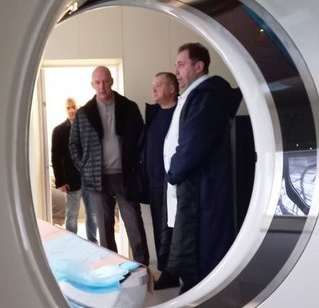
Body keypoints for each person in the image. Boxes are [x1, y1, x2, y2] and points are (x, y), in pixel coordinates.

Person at [161, 42, 242, 294]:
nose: (176, 70)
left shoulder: (207, 97)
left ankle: (200, 306)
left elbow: (192, 146)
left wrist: (173, 173)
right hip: (194, 188)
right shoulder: (196, 95)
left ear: (199, 66)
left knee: (202, 258)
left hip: (202, 192)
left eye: (181, 64)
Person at [69, 66, 150, 266]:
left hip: (125, 176)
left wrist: (138, 164)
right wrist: (84, 166)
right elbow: (73, 143)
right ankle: (112, 270)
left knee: (134, 224)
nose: (102, 86)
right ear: (92, 85)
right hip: (97, 179)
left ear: (111, 81)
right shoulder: (83, 113)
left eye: (105, 81)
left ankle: (142, 268)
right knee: (104, 229)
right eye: (98, 82)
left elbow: (142, 139)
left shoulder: (129, 107)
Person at [140, 72, 180, 290]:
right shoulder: (154, 114)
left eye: (158, 85)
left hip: (174, 183)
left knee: (175, 230)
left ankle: (177, 272)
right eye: (152, 85)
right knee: (159, 229)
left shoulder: (182, 112)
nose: (153, 89)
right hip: (155, 183)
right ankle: (166, 272)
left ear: (172, 89)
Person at [51, 97, 97, 242]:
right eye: (68, 107)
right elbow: (56, 158)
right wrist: (60, 181)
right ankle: (71, 243)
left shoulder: (88, 127)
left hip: (89, 179)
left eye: (74, 107)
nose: (71, 110)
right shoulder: (58, 131)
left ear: (78, 107)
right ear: (65, 110)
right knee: (71, 215)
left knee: (92, 214)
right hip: (71, 180)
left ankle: (93, 243)